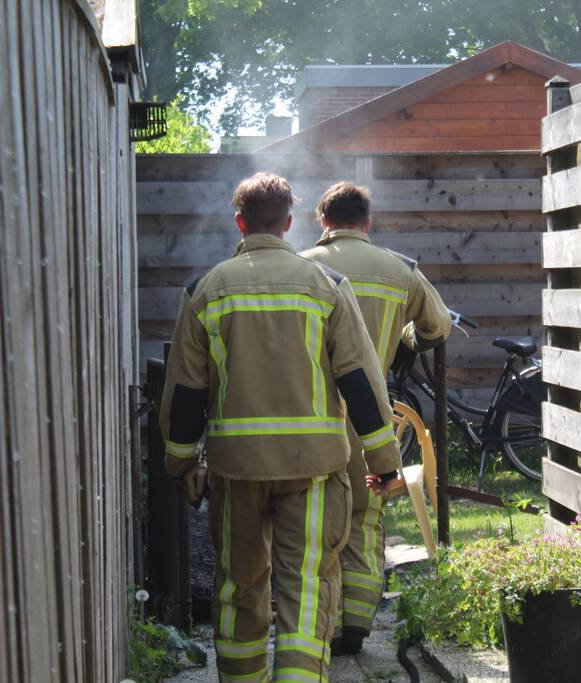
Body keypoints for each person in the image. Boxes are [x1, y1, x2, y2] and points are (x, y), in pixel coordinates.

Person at [159, 173, 403, 683]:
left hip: (236, 472)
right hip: (313, 471)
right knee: (307, 587)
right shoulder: (326, 287)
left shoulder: (205, 291)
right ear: (289, 223)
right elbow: (360, 382)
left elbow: (185, 391)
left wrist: (181, 462)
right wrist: (383, 463)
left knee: (239, 587)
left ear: (240, 222)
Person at [299, 181, 451, 654]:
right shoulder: (400, 270)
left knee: (315, 520)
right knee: (365, 517)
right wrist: (405, 341)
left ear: (323, 221)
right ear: (367, 222)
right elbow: (437, 327)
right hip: (372, 418)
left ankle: (319, 625)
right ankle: (356, 625)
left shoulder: (302, 267)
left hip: (313, 417)